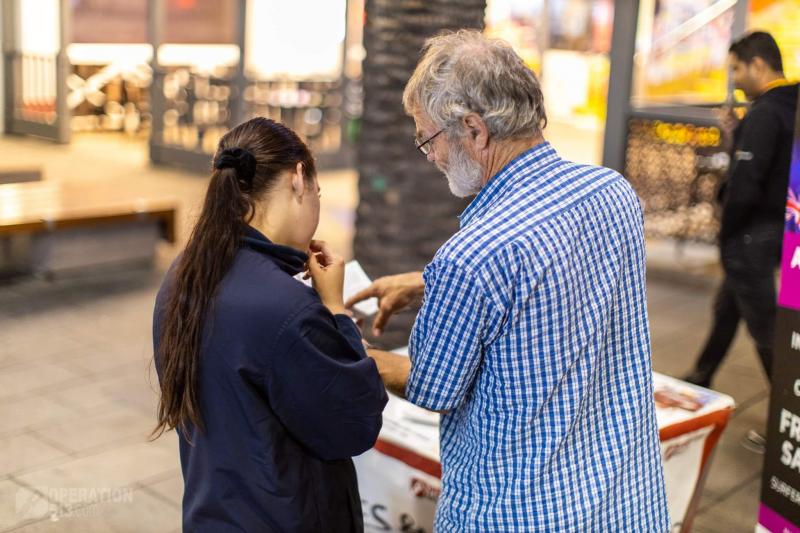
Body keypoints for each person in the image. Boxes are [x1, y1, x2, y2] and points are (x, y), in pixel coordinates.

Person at [348, 30, 669, 531]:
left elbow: (433, 386)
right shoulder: (612, 193)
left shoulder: (472, 258)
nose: (429, 156)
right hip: (623, 501)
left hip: (519, 513)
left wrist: (342, 346)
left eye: (428, 139)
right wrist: (430, 283)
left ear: (474, 130)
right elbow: (556, 282)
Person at [151, 117, 388, 532]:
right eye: (317, 192)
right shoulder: (289, 308)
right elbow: (354, 424)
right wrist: (336, 311)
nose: (316, 205)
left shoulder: (185, 272)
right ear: (298, 178)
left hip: (215, 514)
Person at [683, 32, 799, 389]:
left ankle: (787, 401)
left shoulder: (765, 112)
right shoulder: (791, 105)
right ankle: (702, 375)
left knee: (764, 327)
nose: (735, 79)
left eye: (737, 69)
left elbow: (747, 181)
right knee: (728, 307)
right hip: (780, 227)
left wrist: (727, 231)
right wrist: (738, 135)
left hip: (751, 233)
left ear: (758, 65)